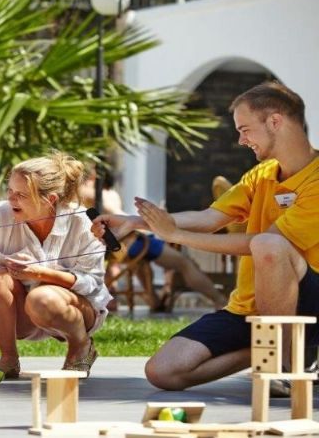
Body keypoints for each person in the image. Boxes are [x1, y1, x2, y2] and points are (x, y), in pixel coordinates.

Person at [92, 81, 319, 395]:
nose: (240, 140)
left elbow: (258, 243)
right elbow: (210, 218)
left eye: (245, 129)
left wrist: (176, 235)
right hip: (251, 307)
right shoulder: (262, 174)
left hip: (309, 305)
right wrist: (136, 222)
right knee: (162, 372)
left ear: (275, 121)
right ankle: (274, 352)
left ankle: (282, 366)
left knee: (268, 244)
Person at [0, 153, 112, 383]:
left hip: (77, 311)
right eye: (10, 191)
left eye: (21, 195)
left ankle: (80, 346)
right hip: (24, 314)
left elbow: (92, 284)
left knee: (42, 297)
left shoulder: (83, 222)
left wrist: (39, 273)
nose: (11, 199)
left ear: (50, 199)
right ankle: (8, 359)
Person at [80, 170, 226, 311]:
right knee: (185, 263)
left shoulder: (101, 193)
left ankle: (155, 301)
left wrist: (138, 223)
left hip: (126, 243)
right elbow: (115, 213)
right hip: (130, 243)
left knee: (144, 266)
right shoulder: (101, 193)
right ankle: (220, 300)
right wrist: (139, 223)